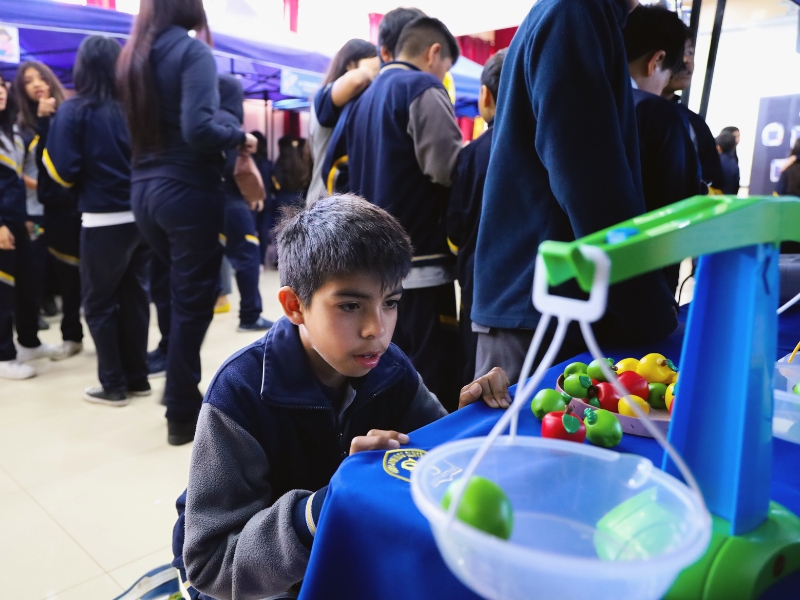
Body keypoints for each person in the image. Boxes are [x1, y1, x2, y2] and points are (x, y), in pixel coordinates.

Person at [173, 195, 512, 600]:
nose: (377, 330)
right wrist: (323, 507)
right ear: (294, 305)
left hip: (344, 560)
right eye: (350, 305)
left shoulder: (389, 367)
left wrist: (468, 421)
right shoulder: (240, 393)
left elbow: (433, 461)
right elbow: (211, 565)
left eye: (390, 303)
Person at [471, 0, 679, 384]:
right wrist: (651, 312)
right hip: (541, 309)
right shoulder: (573, 13)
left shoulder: (583, 15)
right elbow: (591, 184)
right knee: (532, 438)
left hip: (545, 302)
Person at [117, 0, 258, 445]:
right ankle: (180, 409)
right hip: (187, 190)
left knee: (174, 292)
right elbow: (198, 128)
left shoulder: (133, 57)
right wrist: (241, 135)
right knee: (194, 300)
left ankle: (178, 388)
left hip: (143, 191)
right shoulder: (191, 51)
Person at [332, 16, 464, 411]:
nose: (443, 77)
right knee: (431, 374)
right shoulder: (422, 86)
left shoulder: (362, 100)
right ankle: (429, 462)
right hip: (421, 262)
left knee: (386, 370)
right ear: (434, 53)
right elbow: (445, 168)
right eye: (445, 69)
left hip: (375, 269)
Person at [43, 36, 151, 405]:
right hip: (142, 218)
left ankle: (113, 385)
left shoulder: (75, 110)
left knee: (99, 303)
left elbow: (60, 171)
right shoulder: (135, 107)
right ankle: (138, 378)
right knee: (135, 297)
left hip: (103, 218)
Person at [624, 5, 702, 292]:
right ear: (656, 61)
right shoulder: (658, 114)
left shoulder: (581, 100)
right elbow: (681, 205)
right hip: (641, 284)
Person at [15, 61, 84, 362]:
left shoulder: (72, 111)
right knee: (55, 277)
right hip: (41, 212)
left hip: (80, 206)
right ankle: (69, 335)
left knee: (90, 278)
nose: (36, 83)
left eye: (41, 76)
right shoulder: (22, 126)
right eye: (28, 81)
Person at [447, 49, 506, 386]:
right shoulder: (550, 147)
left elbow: (455, 224)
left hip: (478, 284)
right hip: (536, 291)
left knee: (476, 373)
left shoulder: (472, 154)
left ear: (485, 95)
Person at [215, 74, 272, 331]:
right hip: (231, 202)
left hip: (202, 203)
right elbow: (234, 169)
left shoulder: (204, 122)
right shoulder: (230, 126)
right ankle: (250, 315)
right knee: (247, 258)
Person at [0, 73, 38, 380]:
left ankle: (29, 341)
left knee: (27, 283)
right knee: (3, 290)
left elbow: (13, 182)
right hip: (2, 223)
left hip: (17, 217)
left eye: (0, 84)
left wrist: (22, 218)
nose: (0, 91)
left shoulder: (11, 132)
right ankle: (3, 354)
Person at [308, 39, 378, 201]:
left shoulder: (361, 104)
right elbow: (356, 81)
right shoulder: (325, 96)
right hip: (324, 203)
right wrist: (369, 71)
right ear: (350, 65)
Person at [660, 30, 725, 193]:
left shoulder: (693, 124)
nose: (687, 60)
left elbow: (714, 187)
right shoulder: (620, 111)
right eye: (679, 52)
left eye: (690, 52)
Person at [715, 131, 740, 195]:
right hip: (729, 197)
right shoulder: (734, 162)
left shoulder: (716, 162)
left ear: (718, 147)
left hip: (716, 198)